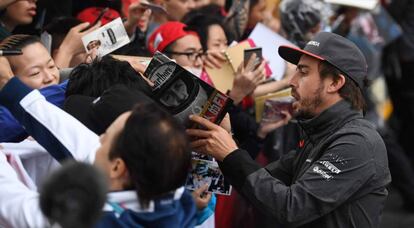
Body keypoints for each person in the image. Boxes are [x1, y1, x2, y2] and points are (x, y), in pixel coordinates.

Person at [187, 32, 391, 227]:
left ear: (336, 83)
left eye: (303, 72)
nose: (291, 82)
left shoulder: (356, 142)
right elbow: (260, 181)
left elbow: (291, 207)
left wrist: (231, 152)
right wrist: (225, 142)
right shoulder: (320, 132)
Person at [0, 61, 197, 226]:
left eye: (104, 138)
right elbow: (75, 139)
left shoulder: (97, 222)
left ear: (117, 167)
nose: (97, 140)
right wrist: (10, 86)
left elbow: (16, 205)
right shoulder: (167, 190)